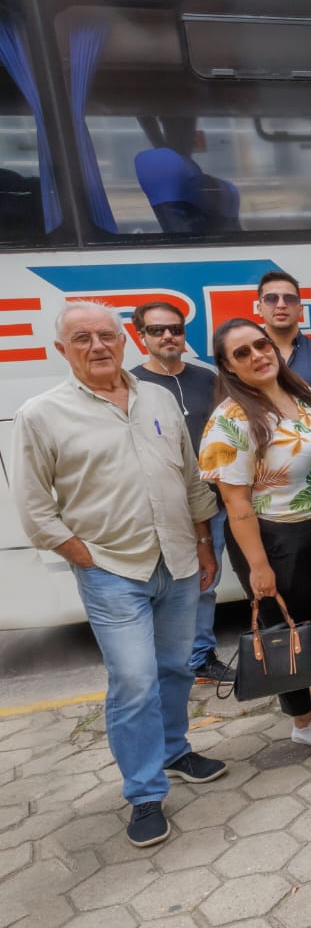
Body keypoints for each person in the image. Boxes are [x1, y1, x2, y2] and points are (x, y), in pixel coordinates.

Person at [13, 303, 225, 847]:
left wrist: (204, 541)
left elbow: (191, 478)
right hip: (112, 570)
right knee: (134, 681)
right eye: (81, 338)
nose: (97, 345)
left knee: (176, 667)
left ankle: (175, 751)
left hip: (178, 560)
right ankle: (145, 793)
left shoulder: (155, 397)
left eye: (106, 335)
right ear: (61, 350)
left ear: (124, 341)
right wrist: (81, 553)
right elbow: (34, 509)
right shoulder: (41, 413)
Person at [200, 318, 311, 748]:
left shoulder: (300, 394)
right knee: (285, 632)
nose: (257, 356)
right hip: (273, 539)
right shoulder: (229, 420)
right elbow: (236, 504)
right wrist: (259, 567)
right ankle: (302, 722)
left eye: (260, 345)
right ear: (228, 368)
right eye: (242, 353)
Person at [129, 300, 230, 684]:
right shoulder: (133, 385)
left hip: (214, 502)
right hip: (164, 506)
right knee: (166, 587)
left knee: (207, 583)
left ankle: (201, 658)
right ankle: (169, 663)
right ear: (141, 337)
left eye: (175, 328)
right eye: (157, 330)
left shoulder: (207, 378)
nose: (168, 336)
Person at [257, 270, 311, 392]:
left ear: (300, 309)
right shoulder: (245, 354)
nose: (281, 305)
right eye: (271, 298)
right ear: (259, 308)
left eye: (289, 298)